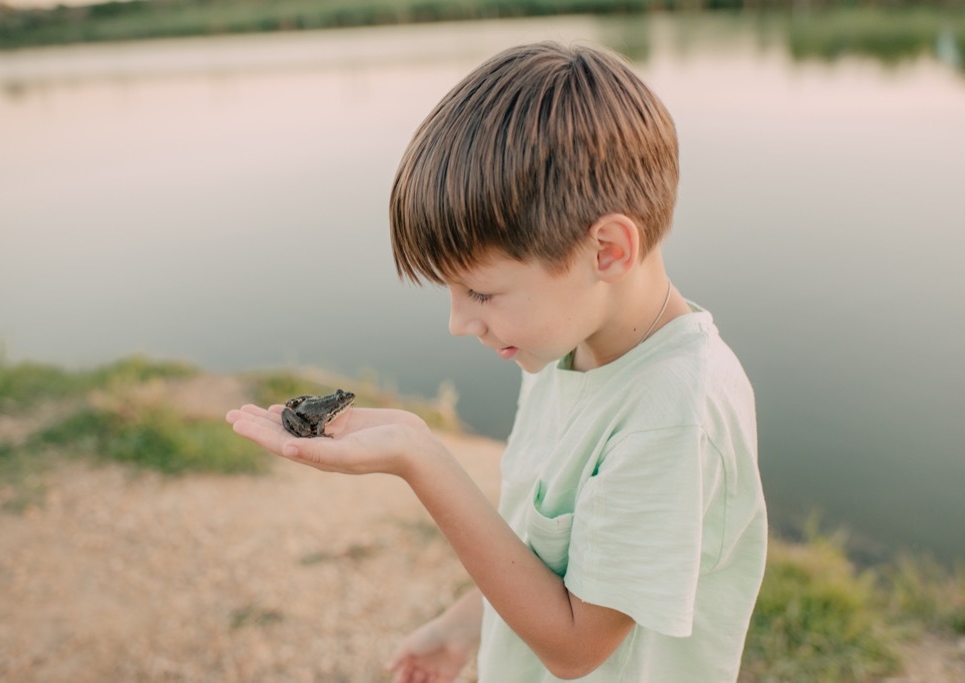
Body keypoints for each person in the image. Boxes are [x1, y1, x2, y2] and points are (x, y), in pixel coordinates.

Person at [226, 40, 767, 682]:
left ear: (609, 251)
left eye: (481, 293)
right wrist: (465, 626)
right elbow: (556, 559)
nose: (459, 323)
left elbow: (575, 647)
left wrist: (421, 458)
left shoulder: (672, 416)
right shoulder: (564, 350)